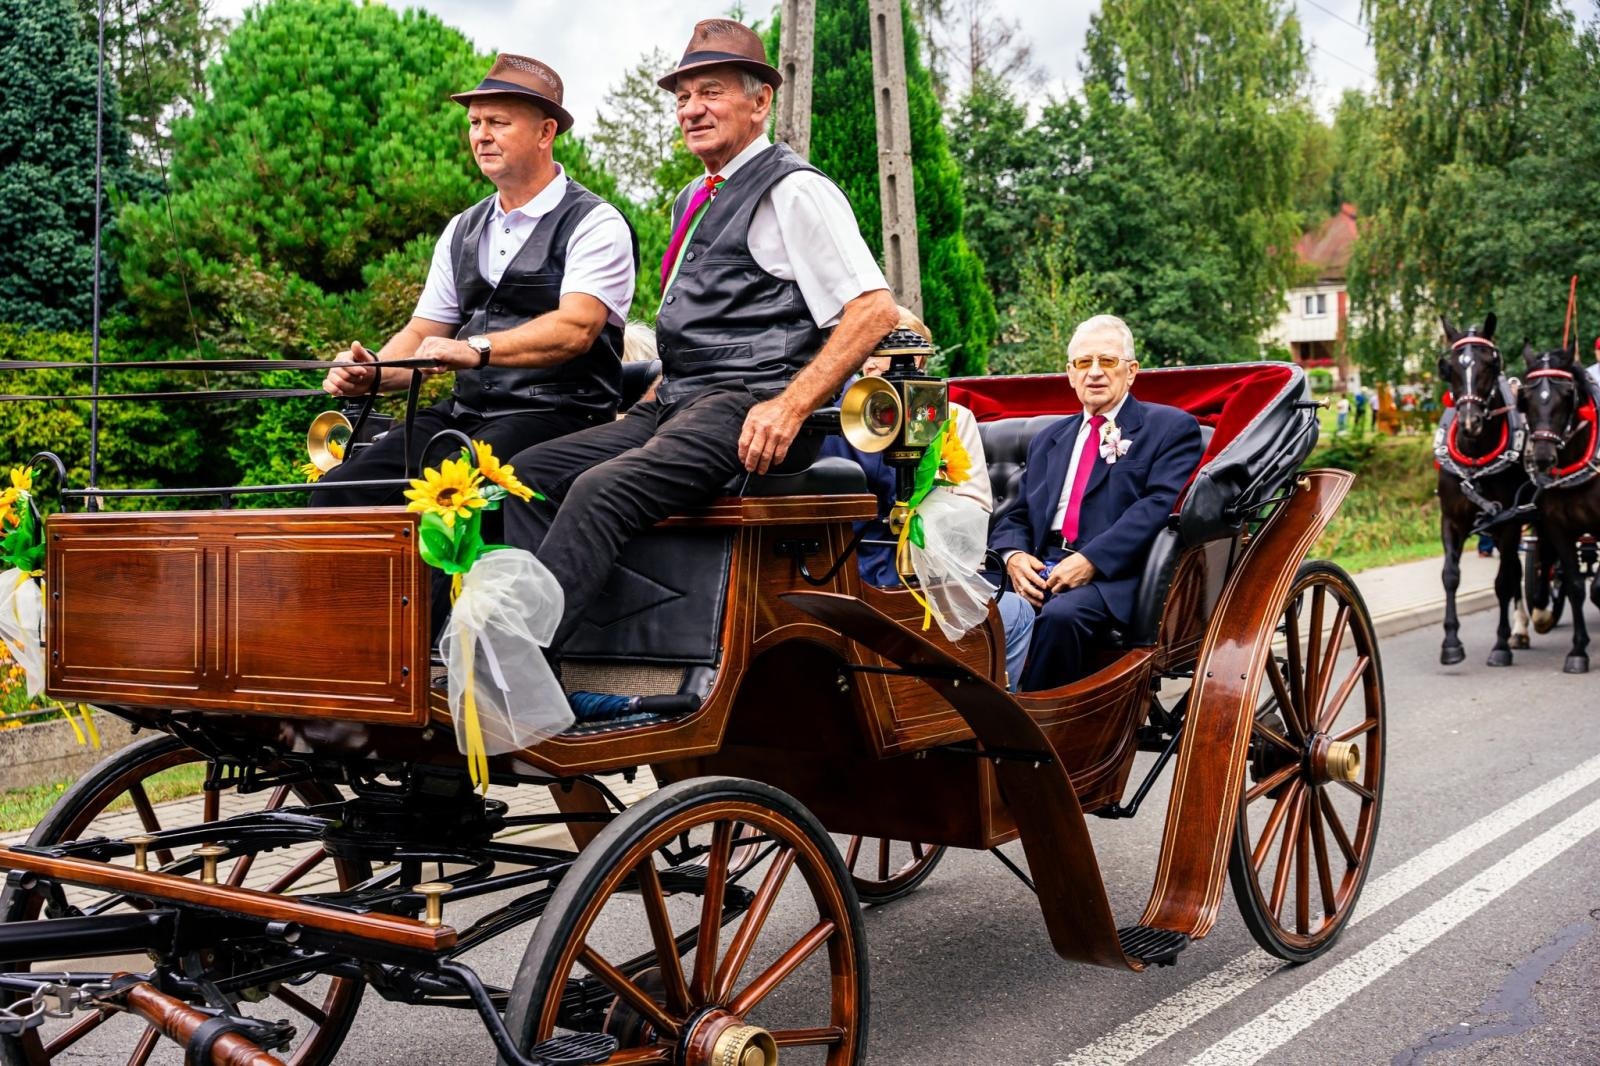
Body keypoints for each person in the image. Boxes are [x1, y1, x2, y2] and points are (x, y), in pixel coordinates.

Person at [499, 18, 899, 655]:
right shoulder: (696, 194)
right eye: (683, 97)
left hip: (753, 410)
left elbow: (873, 310)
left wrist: (789, 407)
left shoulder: (795, 190)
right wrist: (656, 391)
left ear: (760, 101)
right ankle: (582, 659)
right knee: (525, 474)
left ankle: (514, 666)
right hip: (680, 402)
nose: (691, 109)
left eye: (710, 92)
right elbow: (709, 325)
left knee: (602, 490)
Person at [312, 54, 637, 508]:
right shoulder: (462, 228)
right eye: (475, 122)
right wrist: (374, 371)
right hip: (465, 415)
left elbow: (576, 329)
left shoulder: (595, 223)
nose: (481, 135)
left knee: (457, 506)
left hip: (558, 417)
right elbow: (424, 332)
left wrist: (475, 349)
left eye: (498, 122)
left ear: (546, 133)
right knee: (337, 495)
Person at [817, 307, 1034, 690]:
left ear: (917, 357)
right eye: (867, 350)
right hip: (868, 576)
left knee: (1013, 611)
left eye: (882, 350)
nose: (872, 360)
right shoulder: (846, 416)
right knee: (1016, 614)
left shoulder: (948, 416)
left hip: (869, 571)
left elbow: (971, 512)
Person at [991, 315, 1204, 691]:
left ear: (1131, 371)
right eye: (1083, 363)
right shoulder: (1048, 439)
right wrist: (1013, 557)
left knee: (1060, 617)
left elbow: (1156, 507)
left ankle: (1037, 730)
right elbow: (1021, 512)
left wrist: (1091, 561)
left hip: (1115, 576)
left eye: (1107, 361)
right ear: (1070, 374)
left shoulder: (1170, 428)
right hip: (1042, 565)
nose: (1095, 373)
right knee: (963, 601)